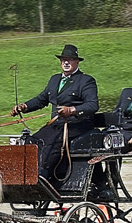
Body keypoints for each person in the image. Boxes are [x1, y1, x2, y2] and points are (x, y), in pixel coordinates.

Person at [10, 44, 99, 183]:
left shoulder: (86, 81)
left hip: (77, 125)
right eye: (64, 60)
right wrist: (24, 106)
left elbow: (93, 105)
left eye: (70, 59)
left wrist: (71, 110)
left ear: (77, 62)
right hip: (57, 125)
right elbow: (41, 99)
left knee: (53, 142)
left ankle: (43, 175)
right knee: (33, 140)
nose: (66, 62)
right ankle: (26, 174)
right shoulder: (54, 80)